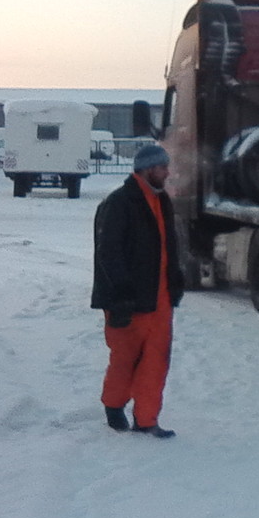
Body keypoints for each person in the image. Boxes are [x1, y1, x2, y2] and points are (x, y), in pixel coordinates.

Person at [92, 143, 184, 438]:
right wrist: (120, 293)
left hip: (160, 300)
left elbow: (169, 247)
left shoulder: (162, 202)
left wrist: (176, 279)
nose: (167, 172)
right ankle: (114, 406)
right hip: (128, 301)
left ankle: (147, 420)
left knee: (156, 363)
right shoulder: (119, 203)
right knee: (125, 360)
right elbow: (108, 252)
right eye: (162, 167)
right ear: (146, 169)